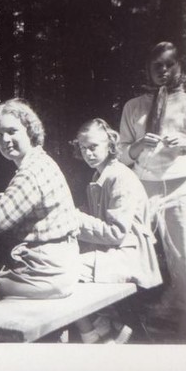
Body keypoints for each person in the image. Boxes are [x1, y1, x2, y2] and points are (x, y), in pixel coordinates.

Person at [0, 98, 80, 303]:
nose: (5, 139)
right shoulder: (42, 161)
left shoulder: (30, 173)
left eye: (12, 131)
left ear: (30, 131)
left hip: (45, 273)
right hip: (61, 264)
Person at [119, 41, 186, 341]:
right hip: (143, 188)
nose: (163, 70)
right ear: (148, 71)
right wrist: (139, 146)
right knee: (132, 252)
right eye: (157, 66)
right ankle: (131, 320)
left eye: (169, 64)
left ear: (180, 68)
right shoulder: (133, 106)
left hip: (184, 186)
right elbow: (122, 154)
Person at [72, 118, 162, 343]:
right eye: (83, 148)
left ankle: (94, 331)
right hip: (112, 252)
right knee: (60, 264)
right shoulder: (99, 175)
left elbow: (116, 232)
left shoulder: (120, 176)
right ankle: (105, 326)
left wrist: (75, 220)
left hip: (130, 255)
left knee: (64, 271)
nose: (87, 153)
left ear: (110, 145)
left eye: (93, 147)